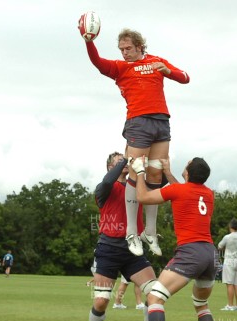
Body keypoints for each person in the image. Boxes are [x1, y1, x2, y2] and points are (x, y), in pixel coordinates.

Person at [80, 26, 190, 258]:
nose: (124, 52)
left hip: (161, 120)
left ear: (140, 46)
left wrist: (168, 71)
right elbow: (98, 63)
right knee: (135, 171)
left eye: (128, 48)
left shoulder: (157, 61)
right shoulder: (121, 68)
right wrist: (89, 41)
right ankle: (132, 231)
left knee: (155, 173)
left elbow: (186, 78)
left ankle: (149, 231)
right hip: (138, 122)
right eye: (121, 49)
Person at [129, 156, 218, 321]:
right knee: (201, 304)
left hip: (190, 253)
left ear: (187, 172)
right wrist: (168, 173)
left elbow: (142, 196)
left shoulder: (179, 190)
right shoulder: (208, 194)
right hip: (210, 255)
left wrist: (140, 171)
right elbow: (184, 190)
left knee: (154, 298)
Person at [86, 152, 157, 321]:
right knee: (101, 300)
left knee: (154, 293)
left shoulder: (136, 188)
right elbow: (108, 181)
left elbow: (154, 190)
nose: (124, 164)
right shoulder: (105, 189)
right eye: (118, 162)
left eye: (124, 161)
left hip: (132, 249)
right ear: (110, 167)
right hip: (108, 248)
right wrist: (127, 158)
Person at [218, 219, 237, 311]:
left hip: (229, 261)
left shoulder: (227, 237)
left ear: (230, 226)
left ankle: (230, 305)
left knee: (229, 284)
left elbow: (219, 246)